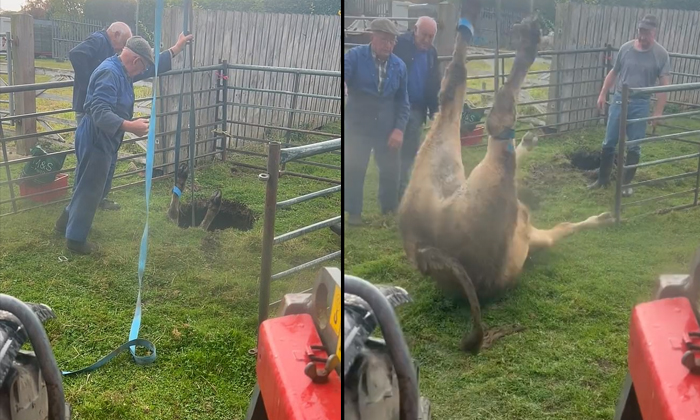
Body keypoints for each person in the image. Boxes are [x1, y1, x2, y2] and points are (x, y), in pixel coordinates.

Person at [69, 22, 193, 210]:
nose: (124, 47)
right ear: (116, 34)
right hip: (95, 116)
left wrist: (175, 49)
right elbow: (76, 55)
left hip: (109, 117)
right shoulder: (99, 42)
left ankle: (94, 200)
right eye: (125, 42)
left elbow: (147, 67)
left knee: (106, 163)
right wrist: (93, 86)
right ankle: (80, 205)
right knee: (91, 165)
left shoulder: (121, 66)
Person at [54, 36, 158, 254]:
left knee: (88, 184)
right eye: (144, 67)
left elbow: (104, 111)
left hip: (101, 136)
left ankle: (63, 223)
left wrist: (175, 49)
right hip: (96, 135)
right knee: (91, 189)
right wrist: (131, 126)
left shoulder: (120, 69)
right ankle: (75, 240)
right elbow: (101, 113)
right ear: (136, 60)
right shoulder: (110, 73)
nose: (142, 72)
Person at [589, 14, 669, 197]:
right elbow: (613, 72)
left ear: (654, 32)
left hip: (641, 103)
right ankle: (602, 180)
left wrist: (658, 111)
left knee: (634, 145)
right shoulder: (626, 48)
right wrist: (602, 93)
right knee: (609, 141)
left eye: (647, 33)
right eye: (640, 31)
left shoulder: (661, 54)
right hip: (619, 99)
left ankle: (624, 184)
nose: (642, 36)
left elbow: (665, 85)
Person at [344, 18, 410, 226]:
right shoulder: (354, 57)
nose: (388, 45)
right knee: (355, 168)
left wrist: (399, 129)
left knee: (391, 170)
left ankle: (389, 211)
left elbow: (403, 102)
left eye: (392, 41)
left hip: (386, 127)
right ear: (373, 37)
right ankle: (354, 215)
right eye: (384, 40)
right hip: (358, 125)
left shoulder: (399, 66)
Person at [392, 16, 440, 201]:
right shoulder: (400, 45)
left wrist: (436, 112)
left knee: (410, 152)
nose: (427, 40)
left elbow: (434, 83)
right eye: (424, 35)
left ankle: (402, 191)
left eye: (431, 36)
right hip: (398, 106)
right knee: (393, 150)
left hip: (418, 109)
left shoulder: (432, 53)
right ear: (415, 30)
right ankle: (392, 190)